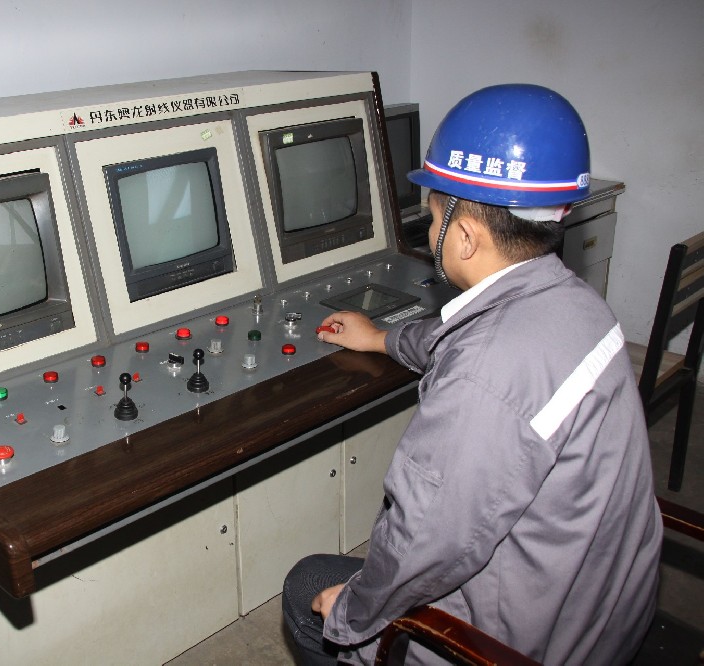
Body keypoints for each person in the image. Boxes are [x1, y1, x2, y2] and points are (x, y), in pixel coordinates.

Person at [282, 84, 662, 665]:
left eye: (434, 214)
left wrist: (351, 613)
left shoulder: (484, 378)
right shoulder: (579, 306)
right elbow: (463, 337)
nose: (430, 227)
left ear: (463, 236)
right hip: (603, 610)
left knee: (309, 588)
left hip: (523, 647)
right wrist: (381, 338)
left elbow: (424, 541)